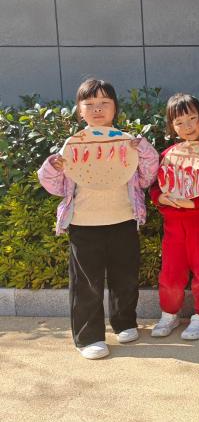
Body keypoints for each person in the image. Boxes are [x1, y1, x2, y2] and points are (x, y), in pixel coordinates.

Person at [37, 79, 158, 359]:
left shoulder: (127, 141)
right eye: (89, 104)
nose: (97, 109)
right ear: (79, 111)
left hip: (123, 219)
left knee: (125, 277)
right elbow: (55, 186)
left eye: (104, 103)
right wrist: (52, 166)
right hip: (84, 224)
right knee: (86, 284)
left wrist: (143, 149)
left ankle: (124, 323)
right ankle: (88, 337)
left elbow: (147, 177)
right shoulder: (74, 144)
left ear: (115, 108)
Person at [149, 93, 199, 341]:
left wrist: (195, 203)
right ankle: (169, 313)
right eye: (180, 122)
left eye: (192, 118)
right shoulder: (168, 154)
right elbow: (156, 185)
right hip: (173, 226)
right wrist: (160, 198)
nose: (188, 126)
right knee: (170, 273)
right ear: (172, 127)